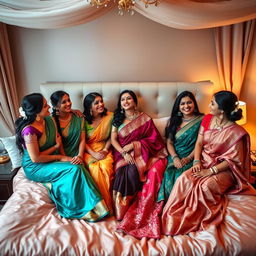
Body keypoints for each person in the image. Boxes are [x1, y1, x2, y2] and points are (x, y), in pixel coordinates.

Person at [161, 90, 256, 236]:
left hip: (225, 169)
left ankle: (194, 221)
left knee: (205, 186)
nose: (209, 105)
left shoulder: (237, 133)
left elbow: (233, 160)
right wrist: (197, 161)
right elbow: (199, 143)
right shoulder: (208, 119)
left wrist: (210, 172)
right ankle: (172, 218)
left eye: (212, 103)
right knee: (183, 179)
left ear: (222, 110)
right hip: (204, 161)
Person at [15, 93, 109, 221]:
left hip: (50, 159)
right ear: (36, 111)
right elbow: (36, 158)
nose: (48, 106)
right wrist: (58, 154)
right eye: (44, 106)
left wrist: (75, 111)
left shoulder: (49, 120)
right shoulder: (29, 131)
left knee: (77, 166)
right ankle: (78, 209)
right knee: (74, 169)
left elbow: (62, 112)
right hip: (35, 167)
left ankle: (97, 207)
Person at [111, 90, 168, 239]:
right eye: (122, 99)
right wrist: (124, 153)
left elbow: (155, 140)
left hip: (142, 154)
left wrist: (134, 146)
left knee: (132, 171)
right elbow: (113, 140)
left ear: (134, 101)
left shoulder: (145, 119)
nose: (126, 101)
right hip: (121, 154)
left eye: (128, 98)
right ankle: (120, 208)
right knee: (122, 172)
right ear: (120, 104)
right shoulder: (117, 120)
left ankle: (128, 206)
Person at [157, 91, 203, 202]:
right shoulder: (174, 121)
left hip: (193, 155)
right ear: (178, 106)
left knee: (182, 177)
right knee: (169, 173)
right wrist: (175, 158)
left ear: (194, 104)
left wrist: (189, 158)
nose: (186, 106)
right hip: (175, 156)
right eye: (182, 104)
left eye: (189, 103)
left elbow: (200, 143)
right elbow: (169, 143)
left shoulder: (202, 120)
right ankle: (168, 204)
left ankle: (180, 205)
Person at [83, 92, 114, 213]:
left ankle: (108, 205)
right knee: (94, 169)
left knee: (106, 167)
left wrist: (106, 149)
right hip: (88, 150)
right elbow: (82, 141)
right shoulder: (83, 120)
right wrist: (93, 154)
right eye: (96, 103)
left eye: (101, 101)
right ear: (89, 107)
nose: (101, 104)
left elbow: (112, 136)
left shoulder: (110, 116)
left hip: (104, 148)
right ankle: (99, 207)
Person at [50, 91, 85, 164]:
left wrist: (80, 156)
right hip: (61, 156)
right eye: (64, 102)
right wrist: (66, 159)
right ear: (56, 106)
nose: (68, 103)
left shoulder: (78, 117)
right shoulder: (52, 120)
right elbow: (59, 144)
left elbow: (82, 140)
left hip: (78, 153)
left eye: (69, 100)